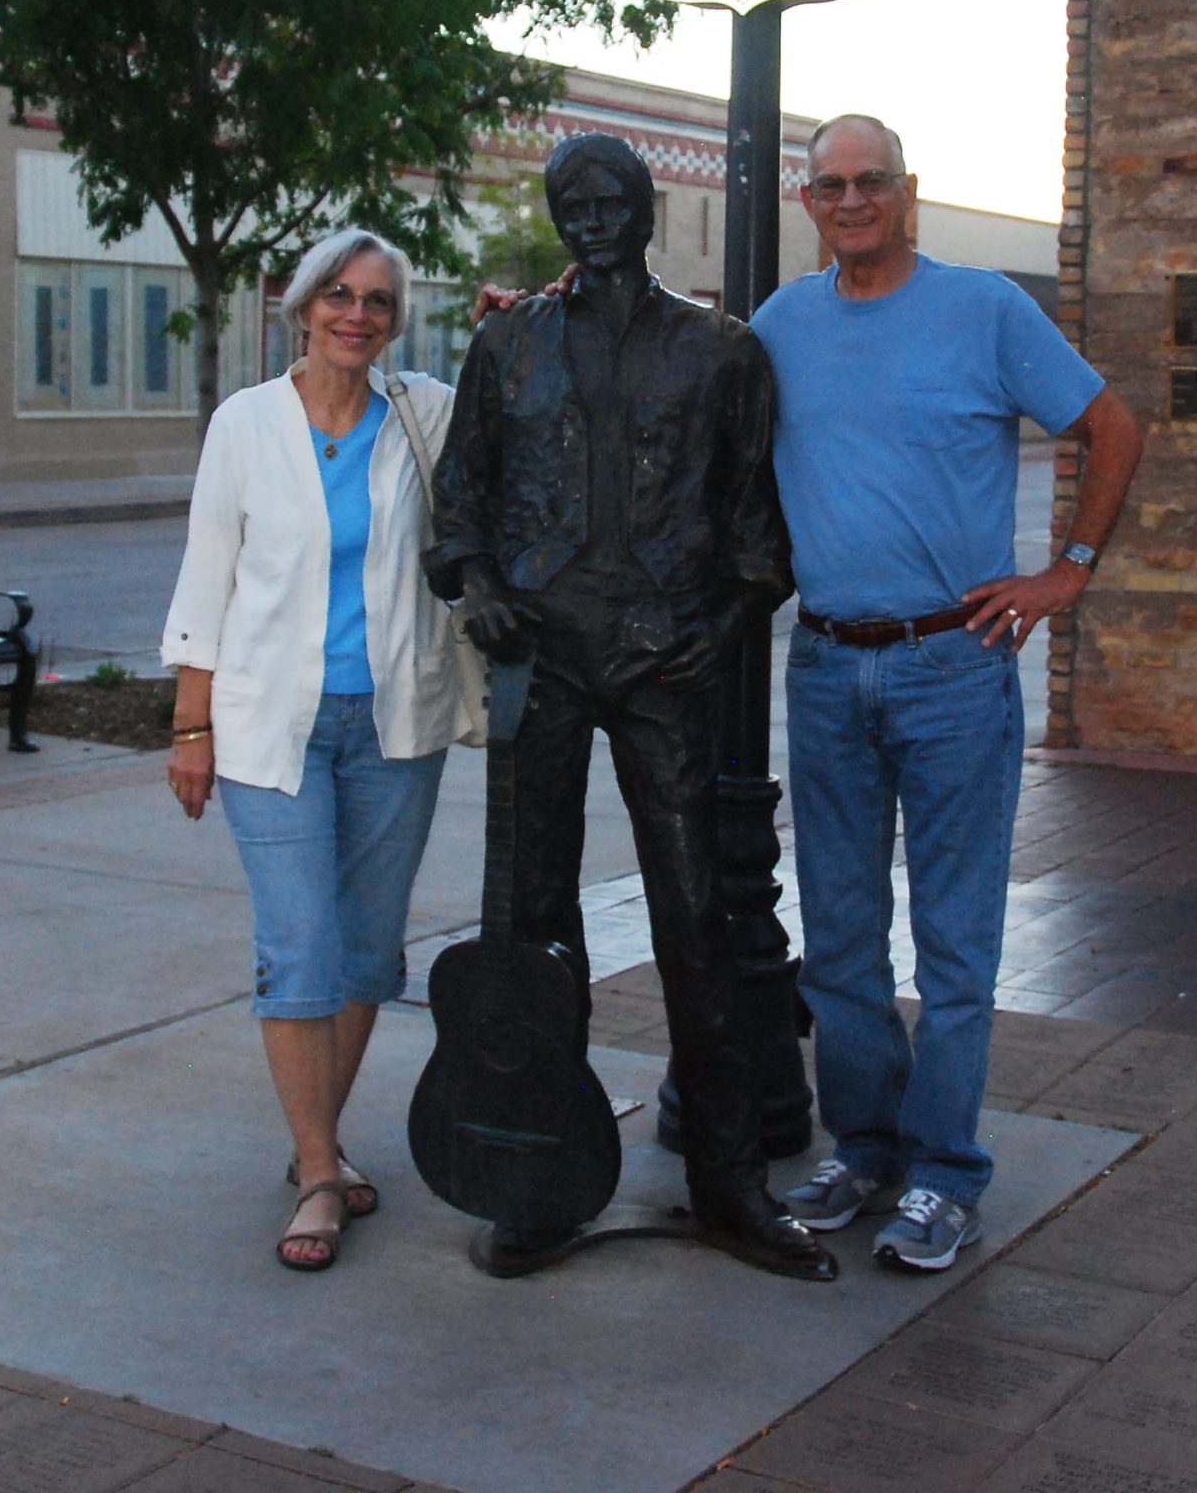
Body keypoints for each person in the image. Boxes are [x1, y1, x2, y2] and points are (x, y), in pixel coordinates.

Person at [426, 133, 830, 1279]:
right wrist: (485, 587)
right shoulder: (507, 344)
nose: (594, 218)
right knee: (534, 924)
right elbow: (460, 504)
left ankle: (729, 1179)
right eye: (573, 203)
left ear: (649, 209)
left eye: (613, 200)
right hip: (543, 663)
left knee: (696, 921)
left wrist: (711, 632)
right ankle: (540, 1174)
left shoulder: (721, 354)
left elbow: (760, 541)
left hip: (664, 669)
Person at [759, 113, 1144, 1271]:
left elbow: (1109, 422)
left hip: (951, 666)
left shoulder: (983, 309)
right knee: (835, 939)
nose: (851, 198)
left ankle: (944, 1172)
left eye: (870, 179)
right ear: (809, 201)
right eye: (829, 184)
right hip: (825, 663)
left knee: (956, 941)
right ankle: (863, 1149)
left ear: (907, 191)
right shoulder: (781, 325)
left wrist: (1067, 567)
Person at [162, 229, 473, 1272]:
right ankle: (316, 1174)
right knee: (299, 947)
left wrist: (532, 308)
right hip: (267, 729)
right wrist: (190, 725)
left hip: (394, 727)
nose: (356, 313)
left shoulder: (421, 414)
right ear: (301, 308)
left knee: (367, 953)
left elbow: (522, 403)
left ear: (394, 319)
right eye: (337, 295)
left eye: (377, 300)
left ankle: (318, 1148)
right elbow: (208, 581)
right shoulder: (245, 424)